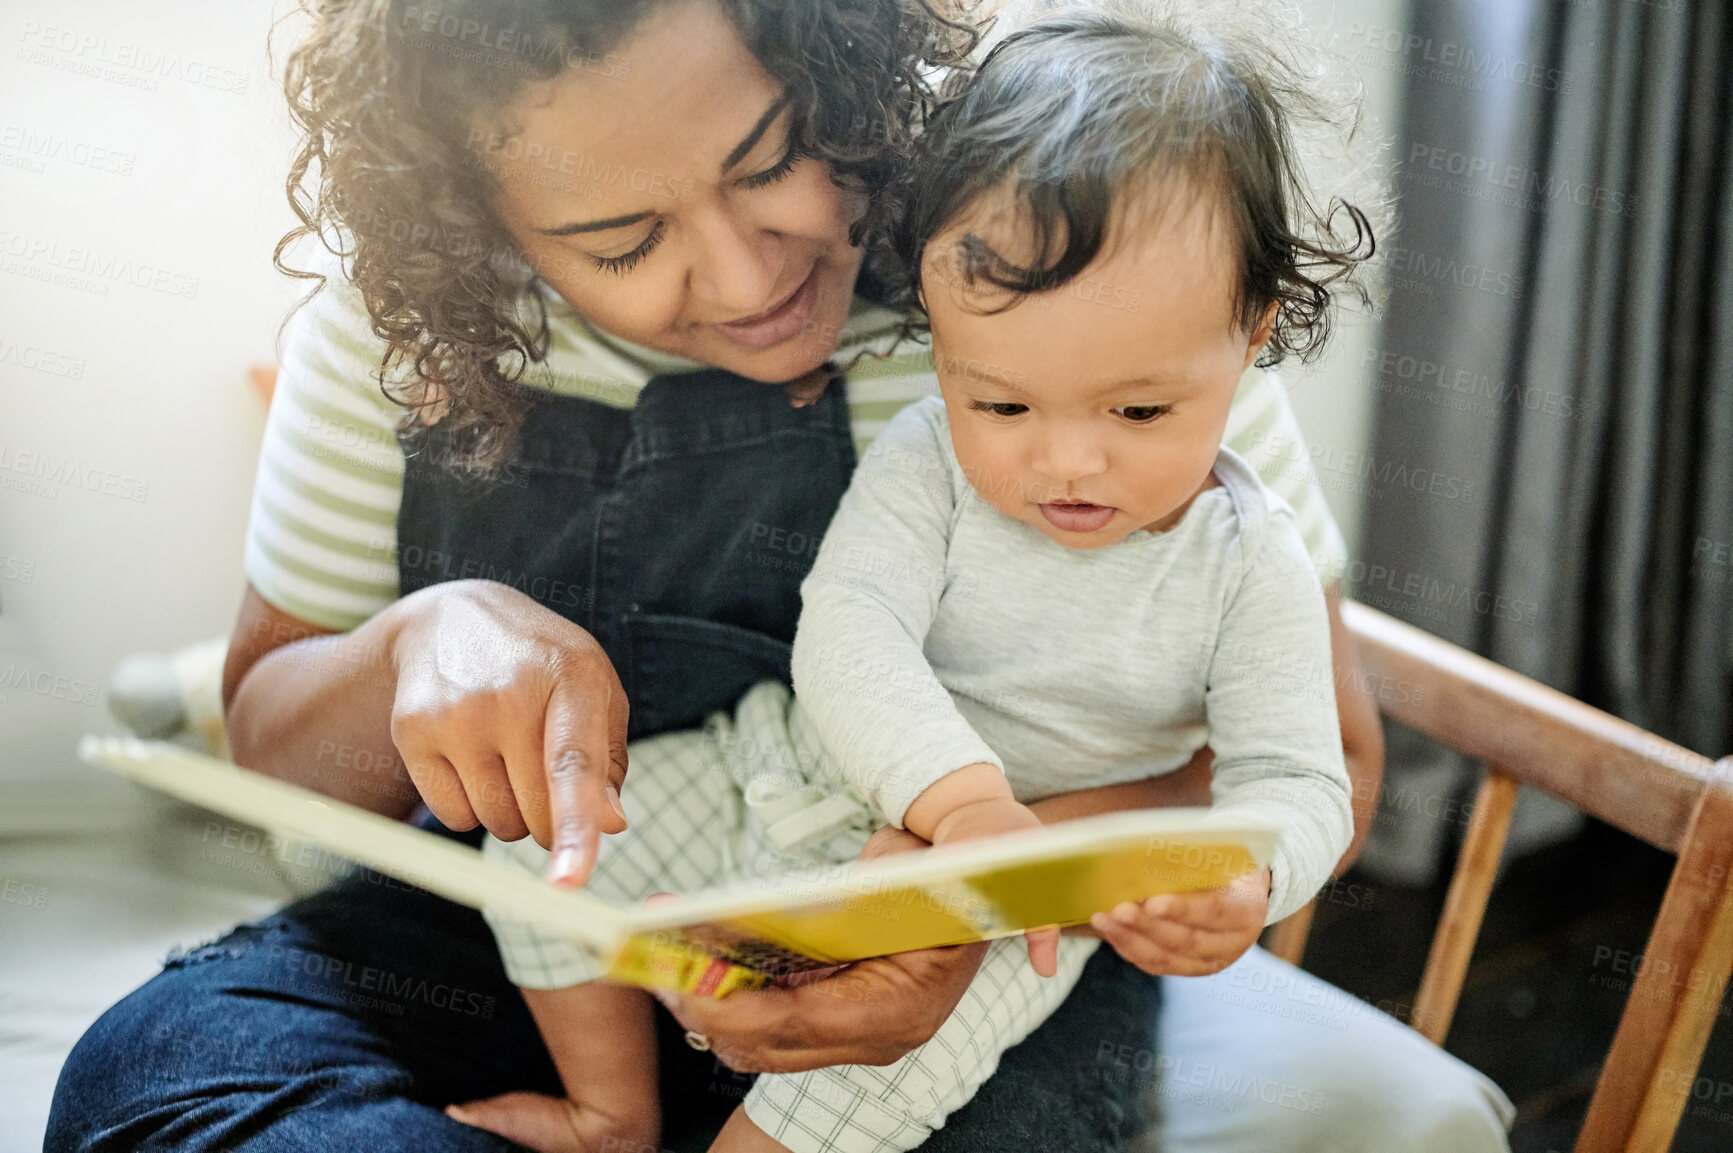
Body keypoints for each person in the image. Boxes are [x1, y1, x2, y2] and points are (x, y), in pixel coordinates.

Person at [45, 1, 1515, 1150]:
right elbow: (272, 740)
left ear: (840, 59)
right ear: (473, 229)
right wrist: (413, 647)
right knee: (151, 1078)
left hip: (999, 946)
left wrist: (968, 887)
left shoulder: (1065, 271)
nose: (751, 281)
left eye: (772, 162)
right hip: (550, 937)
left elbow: (1323, 760)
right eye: (621, 241)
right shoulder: (404, 332)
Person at [465, 12, 1359, 1152]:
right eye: (1001, 402)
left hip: (999, 913)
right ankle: (611, 1111)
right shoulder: (925, 461)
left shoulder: (1248, 562)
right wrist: (960, 802)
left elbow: (1300, 778)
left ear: (1250, 335)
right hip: (780, 782)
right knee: (543, 850)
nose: (1066, 460)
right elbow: (847, 633)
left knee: (829, 1111)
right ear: (938, 341)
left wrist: (1246, 876)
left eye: (1137, 411)